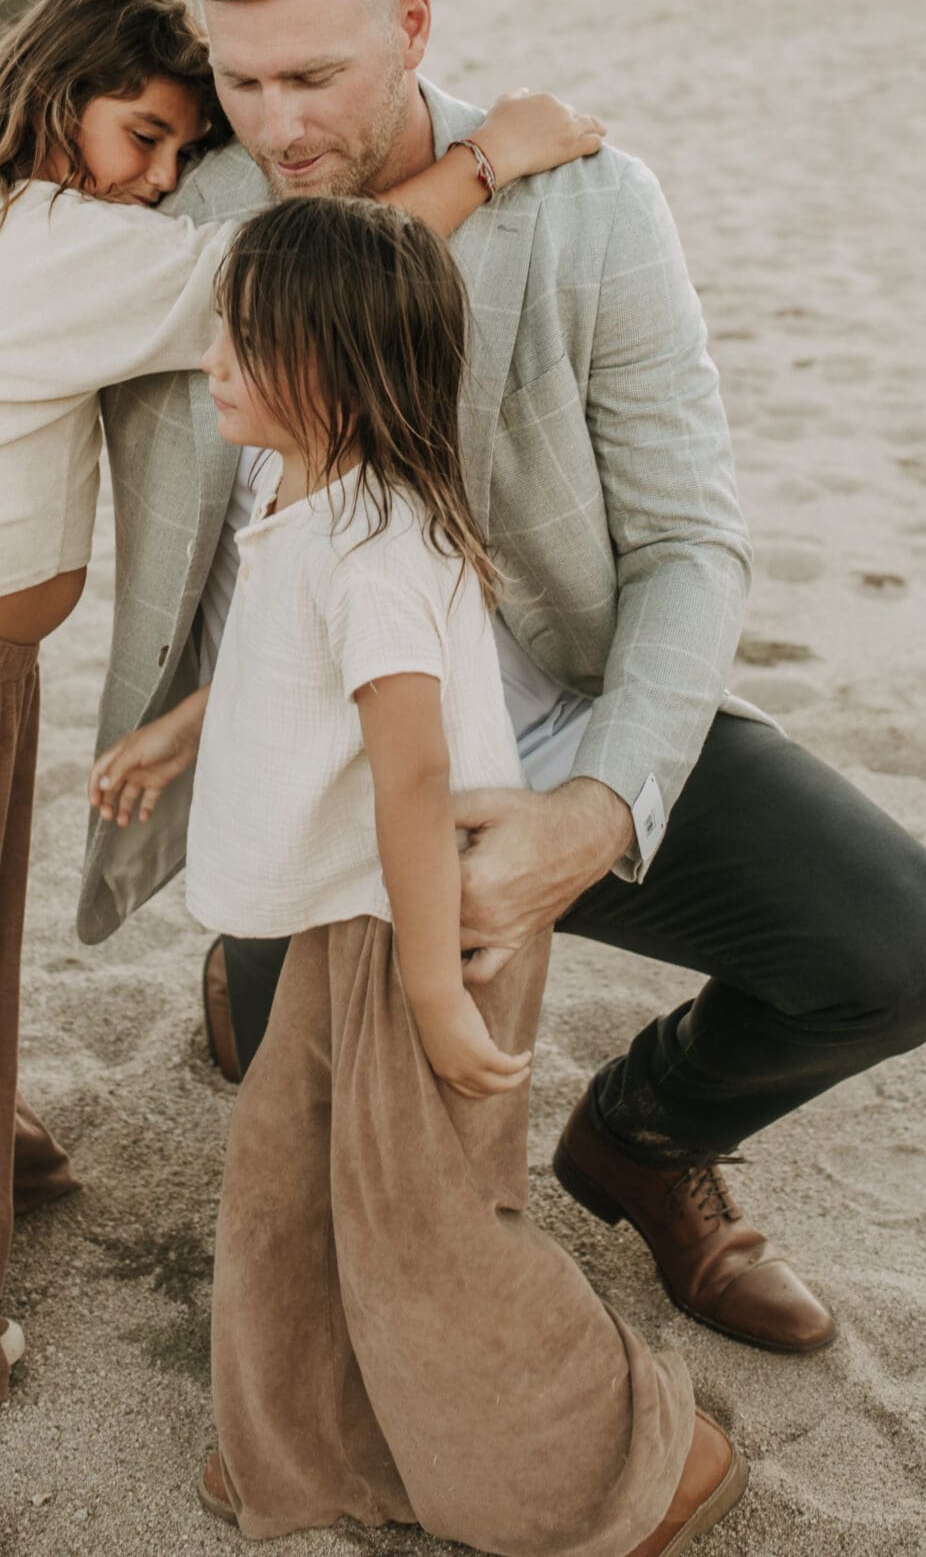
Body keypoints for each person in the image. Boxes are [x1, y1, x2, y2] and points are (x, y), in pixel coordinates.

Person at [0, 0, 926, 1369]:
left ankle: (645, 1139)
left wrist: (601, 805)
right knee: (332, 1163)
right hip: (316, 773)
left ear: (410, 23)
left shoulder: (593, 205)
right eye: (241, 81)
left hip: (559, 715)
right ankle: (247, 976)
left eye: (317, 77)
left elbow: (689, 540)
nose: (280, 127)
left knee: (906, 949)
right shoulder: (191, 197)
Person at [0, 0, 600, 1414]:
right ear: (50, 96)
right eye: (141, 136)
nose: (154, 177)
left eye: (172, 148)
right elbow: (300, 296)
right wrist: (491, 155)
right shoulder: (46, 239)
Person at [87, 195, 746, 1553]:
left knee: (424, 1230)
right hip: (349, 920)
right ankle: (318, 1446)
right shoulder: (303, 495)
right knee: (288, 1181)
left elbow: (414, 782)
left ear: (337, 367)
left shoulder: (383, 552)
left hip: (412, 928)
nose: (213, 357)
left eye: (247, 338)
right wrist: (183, 725)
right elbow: (287, 665)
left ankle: (629, 1460)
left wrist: (440, 991)